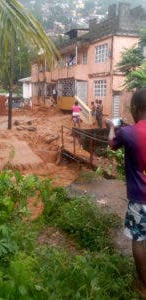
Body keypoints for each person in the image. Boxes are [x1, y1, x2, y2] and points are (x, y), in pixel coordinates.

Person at [108, 88, 146, 298]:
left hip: (140, 201)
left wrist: (112, 128)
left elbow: (112, 144)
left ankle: (143, 285)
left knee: (138, 240)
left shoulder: (127, 133)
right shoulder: (132, 130)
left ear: (137, 108)